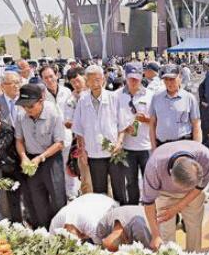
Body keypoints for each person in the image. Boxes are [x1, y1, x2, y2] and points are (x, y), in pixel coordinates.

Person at [142, 140, 209, 252]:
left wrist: (177, 208)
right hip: (165, 193)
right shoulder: (154, 166)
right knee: (165, 232)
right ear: (170, 173)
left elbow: (199, 187)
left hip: (194, 193)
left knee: (194, 226)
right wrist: (155, 235)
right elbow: (148, 202)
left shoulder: (205, 156)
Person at [73, 65, 128, 204]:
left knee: (119, 189)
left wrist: (119, 143)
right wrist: (83, 151)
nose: (95, 83)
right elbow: (79, 130)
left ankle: (121, 220)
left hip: (114, 153)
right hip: (94, 154)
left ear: (103, 79)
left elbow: (122, 126)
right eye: (91, 80)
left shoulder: (113, 97)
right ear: (87, 81)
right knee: (99, 192)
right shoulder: (82, 101)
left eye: (98, 79)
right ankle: (104, 220)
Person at [15, 84, 67, 229]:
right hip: (31, 160)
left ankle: (61, 231)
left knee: (57, 197)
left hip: (51, 158)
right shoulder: (21, 116)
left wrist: (41, 157)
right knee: (38, 198)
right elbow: (19, 140)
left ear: (41, 100)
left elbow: (59, 143)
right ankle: (44, 229)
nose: (27, 110)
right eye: (24, 106)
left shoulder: (54, 113)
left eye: (30, 106)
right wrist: (24, 156)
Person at [49, 193, 152, 251]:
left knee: (110, 243)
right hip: (94, 202)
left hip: (107, 206)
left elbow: (103, 247)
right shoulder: (54, 226)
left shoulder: (92, 225)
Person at [118, 63, 153, 205]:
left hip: (146, 146)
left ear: (142, 76)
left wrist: (147, 120)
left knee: (149, 181)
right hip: (127, 148)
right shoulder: (117, 96)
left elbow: (157, 121)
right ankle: (132, 209)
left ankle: (150, 208)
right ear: (125, 77)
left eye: (137, 78)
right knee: (131, 182)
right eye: (131, 78)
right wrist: (123, 129)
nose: (134, 82)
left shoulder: (150, 95)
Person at [40, 65, 77, 199]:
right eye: (46, 78)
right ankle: (57, 195)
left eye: (51, 76)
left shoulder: (67, 91)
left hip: (67, 135)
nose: (49, 80)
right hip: (50, 139)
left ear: (57, 75)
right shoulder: (42, 95)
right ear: (42, 79)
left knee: (69, 166)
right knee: (54, 169)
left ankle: (71, 194)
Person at [149, 64, 202, 149]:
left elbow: (196, 125)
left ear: (180, 77)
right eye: (166, 79)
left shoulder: (189, 98)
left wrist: (197, 149)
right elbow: (152, 124)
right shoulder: (156, 98)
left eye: (172, 79)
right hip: (162, 146)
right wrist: (153, 148)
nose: (169, 83)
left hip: (185, 145)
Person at [64, 66, 92, 195]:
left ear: (85, 77)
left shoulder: (95, 93)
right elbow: (68, 122)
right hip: (82, 144)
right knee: (86, 179)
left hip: (101, 142)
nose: (76, 84)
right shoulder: (70, 100)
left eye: (77, 80)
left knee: (106, 177)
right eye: (72, 82)